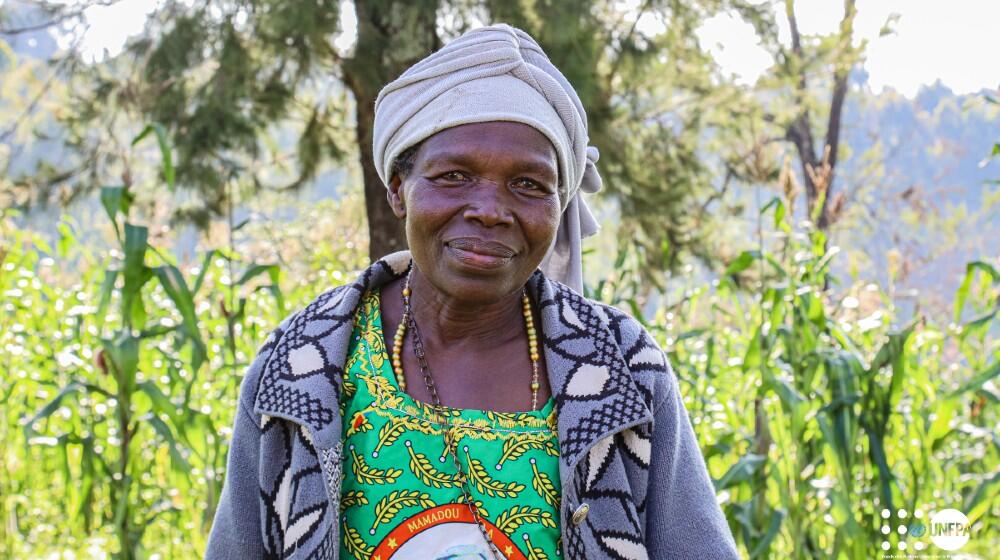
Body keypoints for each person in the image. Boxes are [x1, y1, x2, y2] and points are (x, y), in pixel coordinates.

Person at [206, 24, 739, 560]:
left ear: (559, 204)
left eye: (529, 185)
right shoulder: (304, 361)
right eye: (455, 175)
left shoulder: (619, 364)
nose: (489, 209)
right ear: (398, 189)